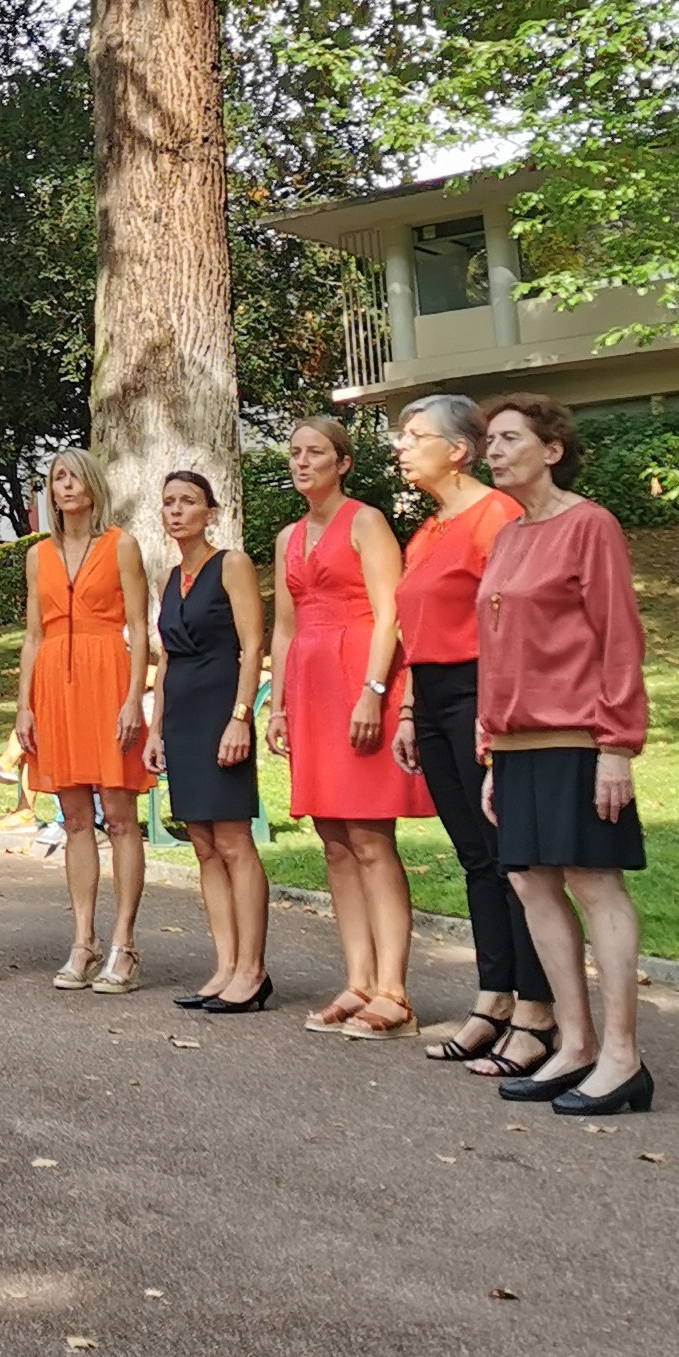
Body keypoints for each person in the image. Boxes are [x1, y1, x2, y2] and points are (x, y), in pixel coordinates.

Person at [476, 394, 654, 1115]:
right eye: (488, 439)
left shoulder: (590, 527)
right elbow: (494, 651)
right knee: (531, 883)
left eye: (509, 438)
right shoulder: (510, 537)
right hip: (516, 743)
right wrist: (490, 746)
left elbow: (619, 637)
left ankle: (623, 1056)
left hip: (580, 736)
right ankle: (574, 1045)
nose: (492, 451)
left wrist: (617, 745)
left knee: (593, 881)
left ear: (551, 450)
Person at [390, 392, 555, 1072]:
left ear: (458, 450)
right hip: (431, 694)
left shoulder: (498, 516)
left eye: (413, 435)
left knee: (511, 855)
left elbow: (512, 623)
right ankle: (493, 997)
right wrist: (405, 708)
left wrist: (494, 711)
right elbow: (412, 630)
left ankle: (539, 1012)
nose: (400, 447)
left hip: (480, 691)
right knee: (474, 856)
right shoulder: (427, 531)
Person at [270, 413, 427, 1036]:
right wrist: (277, 704)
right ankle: (358, 981)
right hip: (309, 689)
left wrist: (374, 690)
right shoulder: (286, 537)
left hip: (359, 680)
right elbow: (284, 626)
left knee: (369, 838)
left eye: (315, 452)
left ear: (343, 462)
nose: (301, 462)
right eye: (294, 453)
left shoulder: (366, 521)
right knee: (333, 841)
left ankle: (395, 991)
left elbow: (392, 610)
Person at [13, 448, 149, 992]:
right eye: (56, 479)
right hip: (54, 686)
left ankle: (125, 944)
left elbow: (138, 627)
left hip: (107, 677)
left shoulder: (121, 546)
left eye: (73, 477)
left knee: (118, 815)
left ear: (93, 486)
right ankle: (83, 941)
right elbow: (32, 634)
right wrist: (24, 704)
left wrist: (134, 697)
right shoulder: (36, 556)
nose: (65, 487)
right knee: (73, 820)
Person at [145, 471, 271, 1012]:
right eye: (169, 502)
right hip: (182, 712)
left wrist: (241, 715)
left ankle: (253, 968)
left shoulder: (231, 564)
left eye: (188, 502)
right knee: (201, 843)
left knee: (233, 840)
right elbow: (167, 654)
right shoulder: (169, 578)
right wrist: (155, 726)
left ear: (210, 512)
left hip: (222, 702)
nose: (177, 511)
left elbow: (252, 641)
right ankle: (223, 964)